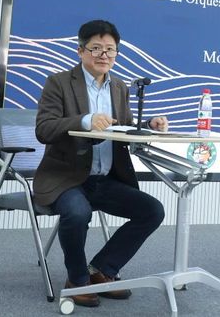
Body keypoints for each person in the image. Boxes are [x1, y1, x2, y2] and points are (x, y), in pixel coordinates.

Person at [33, 19, 167, 308]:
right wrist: (85, 121)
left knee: (152, 211)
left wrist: (148, 126)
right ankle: (77, 279)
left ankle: (101, 269)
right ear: (80, 51)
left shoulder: (119, 87)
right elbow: (44, 129)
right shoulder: (58, 82)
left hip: (105, 180)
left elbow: (123, 127)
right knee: (77, 212)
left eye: (110, 49)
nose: (104, 55)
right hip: (65, 178)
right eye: (96, 48)